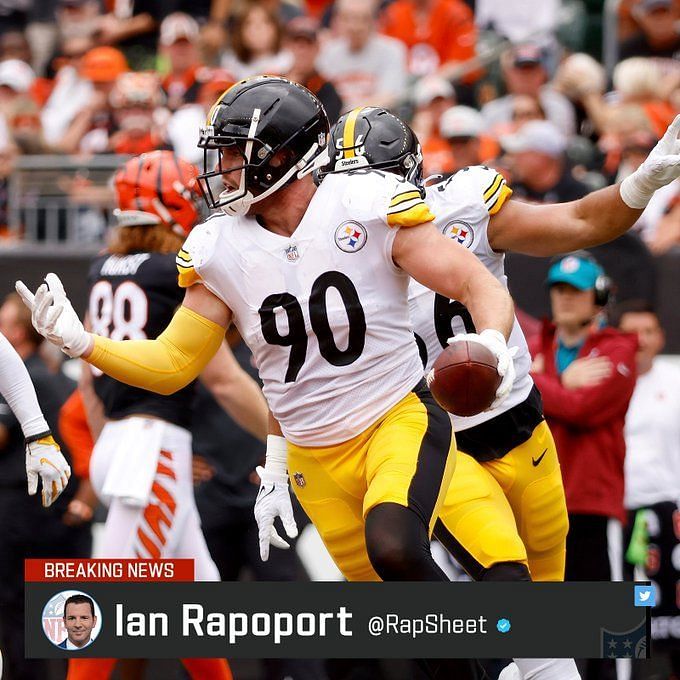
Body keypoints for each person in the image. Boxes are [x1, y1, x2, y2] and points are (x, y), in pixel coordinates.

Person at [19, 76, 520, 680]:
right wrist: (85, 344)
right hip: (314, 455)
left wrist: (491, 342)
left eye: (236, 153)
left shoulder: (363, 205)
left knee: (397, 546)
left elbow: (477, 284)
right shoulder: (218, 246)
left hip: (395, 416)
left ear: (286, 155)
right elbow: (177, 363)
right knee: (395, 611)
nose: (222, 168)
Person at [317, 104, 680, 679]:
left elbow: (581, 221)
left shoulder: (462, 202)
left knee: (549, 623)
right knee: (501, 590)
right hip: (442, 445)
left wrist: (639, 184)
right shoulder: (327, 247)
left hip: (522, 429)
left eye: (376, 181)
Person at [62, 150, 268, 680]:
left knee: (195, 604)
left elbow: (89, 377)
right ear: (169, 204)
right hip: (150, 452)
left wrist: (114, 442)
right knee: (104, 605)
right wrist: (289, 435)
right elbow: (222, 379)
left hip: (122, 444)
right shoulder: (168, 274)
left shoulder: (102, 270)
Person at [530, 253, 637, 680]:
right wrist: (560, 383)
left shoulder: (618, 348)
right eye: (558, 289)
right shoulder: (535, 345)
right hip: (539, 504)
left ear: (599, 299)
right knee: (547, 632)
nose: (565, 299)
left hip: (592, 506)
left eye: (576, 291)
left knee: (610, 631)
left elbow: (584, 408)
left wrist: (538, 382)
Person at [0, 292, 90, 680]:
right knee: (66, 616)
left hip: (25, 513)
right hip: (59, 514)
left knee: (20, 614)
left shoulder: (27, 378)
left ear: (18, 332)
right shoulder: (54, 376)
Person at [615, 301, 680, 677]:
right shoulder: (604, 379)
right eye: (630, 332)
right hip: (615, 514)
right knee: (622, 609)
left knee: (671, 609)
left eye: (648, 331)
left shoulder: (674, 382)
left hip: (666, 511)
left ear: (662, 338)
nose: (638, 340)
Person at [316, 0, 407, 110]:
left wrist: (351, 114)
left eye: (363, 19)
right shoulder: (328, 51)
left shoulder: (392, 50)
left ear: (375, 20)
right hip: (336, 122)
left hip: (375, 121)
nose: (355, 26)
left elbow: (390, 96)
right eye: (348, 18)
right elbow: (322, 95)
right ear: (337, 20)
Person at [501, 120, 590, 203]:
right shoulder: (510, 189)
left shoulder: (576, 196)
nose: (511, 159)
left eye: (519, 153)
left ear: (541, 156)